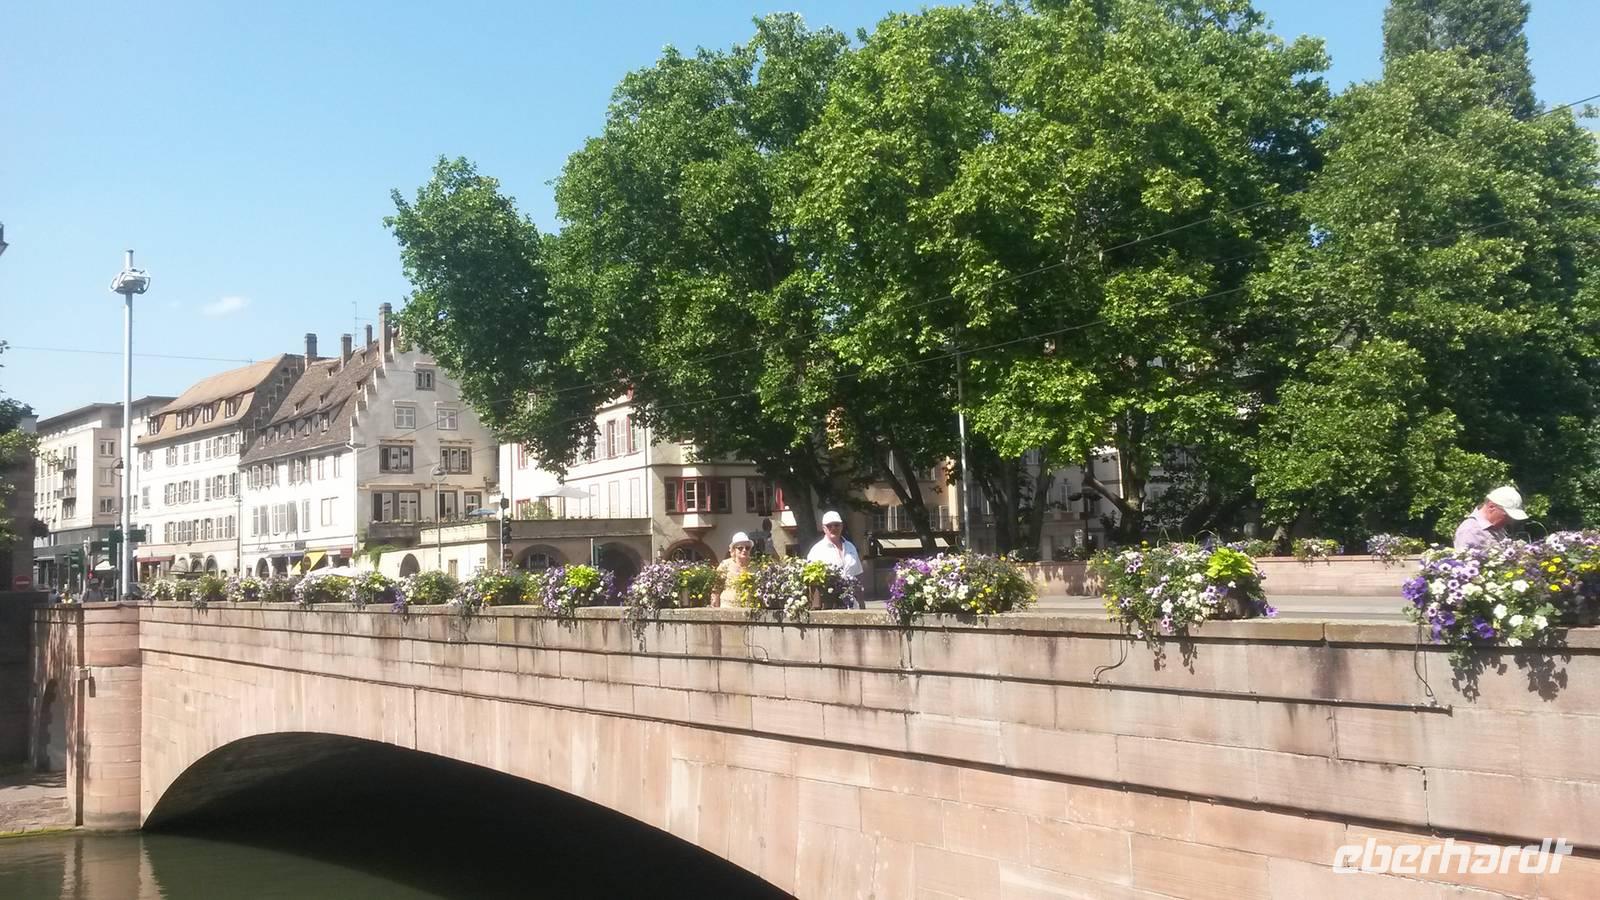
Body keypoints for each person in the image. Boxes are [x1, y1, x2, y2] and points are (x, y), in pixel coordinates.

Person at [807, 510, 864, 607]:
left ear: (841, 526)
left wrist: (862, 603)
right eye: (829, 526)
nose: (833, 528)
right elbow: (811, 582)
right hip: (830, 604)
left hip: (852, 604)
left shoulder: (850, 547)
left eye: (837, 525)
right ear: (824, 528)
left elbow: (858, 575)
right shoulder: (817, 550)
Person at [1454, 486, 1528, 550]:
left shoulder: (1496, 528)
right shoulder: (1470, 531)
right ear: (1491, 507)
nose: (1509, 521)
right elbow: (1467, 563)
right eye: (1506, 516)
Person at [714, 532, 757, 607]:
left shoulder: (755, 566)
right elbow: (716, 588)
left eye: (747, 548)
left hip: (749, 608)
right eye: (740, 548)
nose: (744, 550)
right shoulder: (725, 565)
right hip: (728, 607)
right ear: (733, 550)